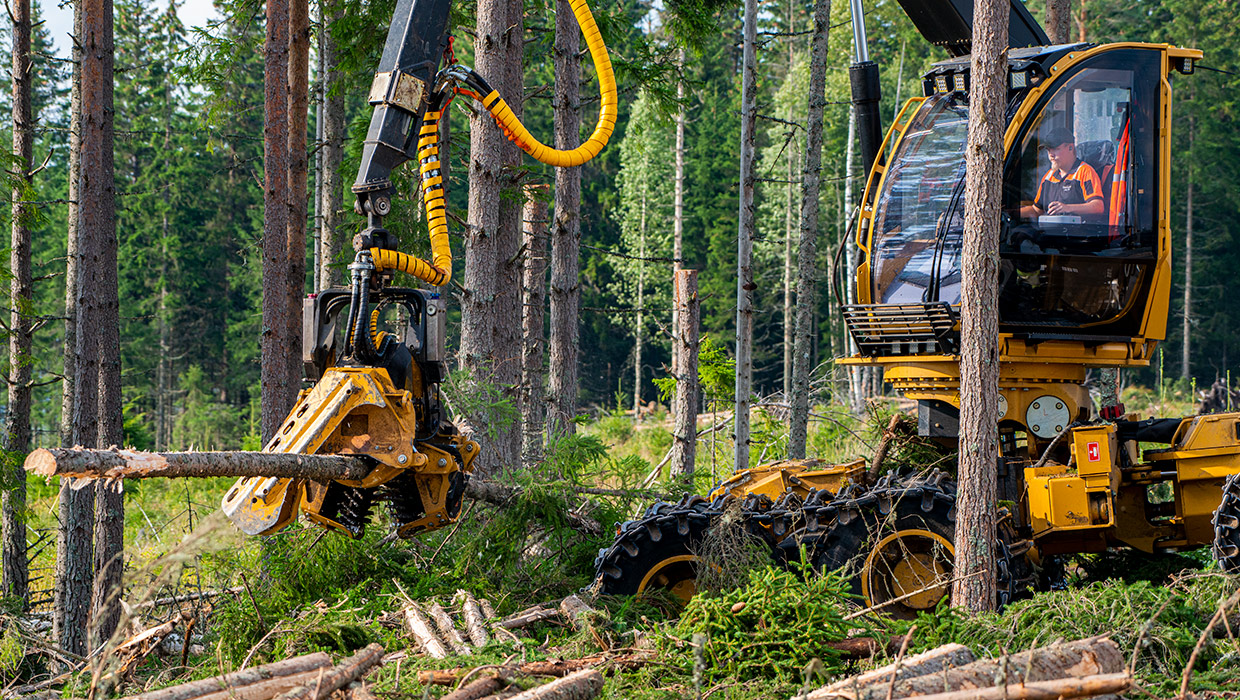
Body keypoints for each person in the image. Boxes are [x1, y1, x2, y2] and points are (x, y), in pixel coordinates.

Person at [1019, 127, 1105, 219]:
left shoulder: (1084, 171)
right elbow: (1037, 210)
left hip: (1076, 231)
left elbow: (1098, 206)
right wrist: (1010, 213)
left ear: (1070, 147)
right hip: (1050, 231)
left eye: (1056, 149)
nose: (1051, 154)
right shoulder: (1049, 176)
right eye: (1048, 150)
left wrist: (1067, 208)